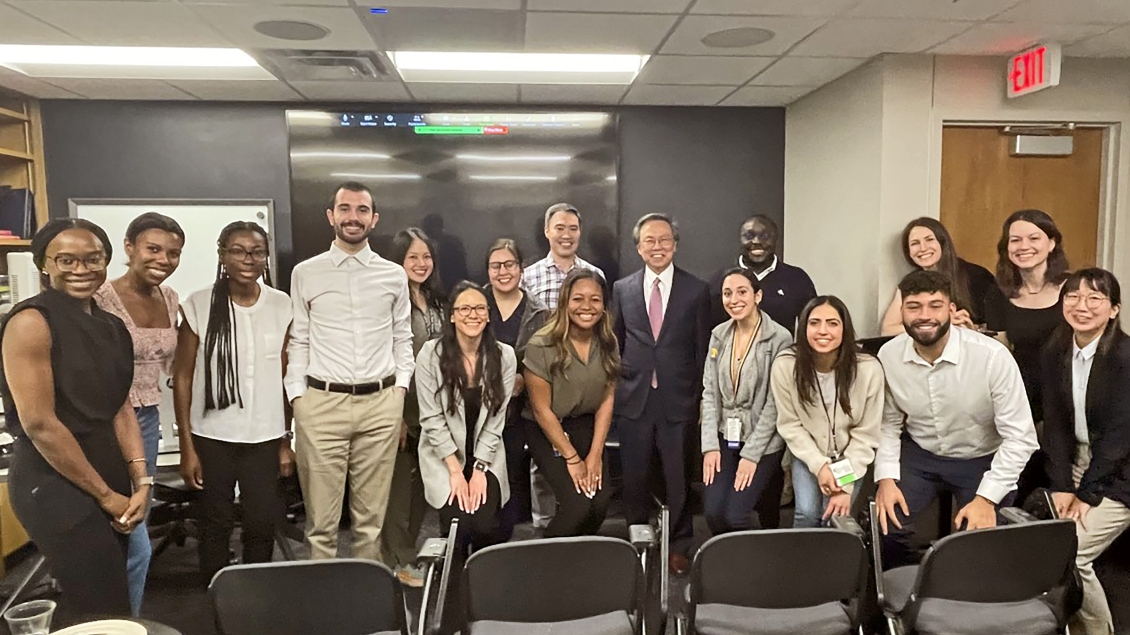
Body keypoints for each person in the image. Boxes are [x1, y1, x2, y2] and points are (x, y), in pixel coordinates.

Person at [0, 218, 150, 622]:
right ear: (44, 264)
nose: (81, 270)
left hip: (108, 475)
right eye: (66, 260)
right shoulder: (31, 322)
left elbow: (120, 407)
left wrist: (141, 480)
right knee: (102, 605)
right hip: (54, 482)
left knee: (107, 599)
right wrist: (105, 495)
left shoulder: (112, 325)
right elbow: (40, 425)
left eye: (92, 259)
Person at [285, 182, 414, 561]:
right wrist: (298, 398)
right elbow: (300, 339)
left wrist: (400, 391)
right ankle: (323, 608)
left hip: (380, 405)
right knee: (321, 526)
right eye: (345, 209)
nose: (352, 217)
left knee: (369, 524)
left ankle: (367, 605)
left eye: (361, 210)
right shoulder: (306, 273)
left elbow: (402, 338)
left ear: (374, 219)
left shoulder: (393, 275)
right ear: (331, 216)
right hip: (321, 405)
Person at [875, 270, 1039, 568]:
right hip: (920, 455)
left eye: (935, 305)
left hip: (982, 457)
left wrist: (987, 499)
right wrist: (886, 477)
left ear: (951, 310)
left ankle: (963, 605)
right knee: (885, 527)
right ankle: (904, 599)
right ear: (902, 312)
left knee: (978, 544)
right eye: (914, 307)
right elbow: (888, 423)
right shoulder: (888, 355)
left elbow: (1021, 438)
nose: (925, 315)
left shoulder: (992, 357)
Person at [172, 222, 292, 586]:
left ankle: (255, 594)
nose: (248, 259)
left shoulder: (281, 304)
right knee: (215, 522)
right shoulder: (198, 303)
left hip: (265, 436)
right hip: (212, 436)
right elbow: (183, 376)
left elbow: (286, 375)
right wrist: (186, 448)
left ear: (266, 256)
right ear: (222, 254)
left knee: (260, 522)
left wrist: (286, 441)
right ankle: (217, 595)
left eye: (256, 251)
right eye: (238, 250)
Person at [92, 212, 183, 616]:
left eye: (173, 253)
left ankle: (124, 616)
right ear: (128, 246)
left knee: (134, 523)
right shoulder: (99, 298)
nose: (163, 259)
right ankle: (114, 618)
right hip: (103, 423)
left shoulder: (170, 298)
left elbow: (172, 366)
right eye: (153, 248)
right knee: (123, 531)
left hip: (147, 420)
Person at [612, 214, 710, 573]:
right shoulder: (622, 288)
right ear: (639, 247)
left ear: (675, 245)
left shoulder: (696, 290)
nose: (657, 246)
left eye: (664, 240)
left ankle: (679, 544)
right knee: (634, 477)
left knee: (678, 477)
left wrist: (699, 398)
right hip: (634, 398)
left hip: (679, 399)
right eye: (650, 241)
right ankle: (638, 540)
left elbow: (702, 350)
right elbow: (616, 343)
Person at [1041, 268, 1130, 635]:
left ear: (1113, 310)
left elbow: (1119, 438)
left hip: (1121, 473)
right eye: (1073, 297)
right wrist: (1063, 485)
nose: (1082, 306)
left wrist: (1087, 495)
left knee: (1072, 553)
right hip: (1082, 464)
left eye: (1095, 298)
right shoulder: (1056, 351)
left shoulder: (1125, 358)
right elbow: (1057, 426)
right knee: (1043, 540)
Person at [416, 281, 515, 572]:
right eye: (465, 309)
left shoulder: (504, 356)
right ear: (452, 315)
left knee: (485, 524)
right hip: (445, 456)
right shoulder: (430, 354)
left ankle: (483, 589)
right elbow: (431, 419)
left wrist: (480, 469)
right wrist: (457, 471)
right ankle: (453, 594)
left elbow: (497, 420)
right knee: (459, 524)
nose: (472, 315)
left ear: (488, 315)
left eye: (479, 308)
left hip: (486, 454)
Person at [521, 203, 604, 528]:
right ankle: (545, 525)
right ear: (547, 232)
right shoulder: (529, 275)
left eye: (572, 228)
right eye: (560, 228)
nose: (566, 235)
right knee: (544, 473)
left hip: (585, 379)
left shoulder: (595, 274)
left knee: (586, 500)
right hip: (545, 375)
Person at [772, 296, 884, 528]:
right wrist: (820, 466)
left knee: (836, 516)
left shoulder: (868, 368)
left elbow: (866, 434)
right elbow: (790, 425)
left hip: (851, 454)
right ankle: (801, 564)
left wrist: (844, 484)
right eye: (814, 323)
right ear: (803, 327)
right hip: (807, 451)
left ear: (845, 328)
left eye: (832, 323)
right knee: (807, 513)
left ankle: (839, 564)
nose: (823, 331)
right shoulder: (785, 365)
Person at [522, 268, 618, 537]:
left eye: (595, 299)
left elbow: (606, 400)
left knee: (598, 504)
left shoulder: (608, 342)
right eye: (578, 299)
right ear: (565, 302)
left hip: (587, 424)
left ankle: (578, 558)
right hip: (549, 428)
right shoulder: (541, 344)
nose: (586, 307)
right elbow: (541, 411)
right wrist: (573, 459)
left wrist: (595, 455)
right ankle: (546, 560)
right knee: (577, 505)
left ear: (604, 306)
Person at [985, 209, 1069, 504]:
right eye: (1015, 240)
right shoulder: (998, 293)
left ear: (1052, 242)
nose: (1024, 246)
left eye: (1034, 238)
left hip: (1066, 395)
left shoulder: (1072, 288)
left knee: (1060, 478)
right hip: (1020, 396)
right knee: (1020, 479)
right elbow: (1001, 350)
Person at [700, 267, 791, 536]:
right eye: (727, 293)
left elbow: (776, 404)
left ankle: (748, 569)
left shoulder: (779, 339)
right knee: (714, 513)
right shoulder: (719, 334)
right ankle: (725, 562)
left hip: (762, 442)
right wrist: (709, 446)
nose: (734, 299)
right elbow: (709, 392)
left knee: (735, 515)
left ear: (757, 296)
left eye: (742, 292)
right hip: (724, 436)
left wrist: (751, 455)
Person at [381, 228, 445, 587]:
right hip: (401, 409)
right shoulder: (390, 299)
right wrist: (395, 415)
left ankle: (405, 553)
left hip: (433, 411)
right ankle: (398, 560)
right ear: (398, 261)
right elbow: (386, 358)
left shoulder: (436, 299)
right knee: (397, 495)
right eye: (412, 258)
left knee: (425, 489)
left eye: (426, 257)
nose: (421, 264)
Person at [484, 238, 550, 539]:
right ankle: (486, 536)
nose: (503, 271)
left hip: (523, 407)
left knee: (512, 473)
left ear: (521, 269)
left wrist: (523, 378)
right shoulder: (475, 303)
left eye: (509, 264)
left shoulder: (538, 311)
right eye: (496, 265)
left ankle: (508, 541)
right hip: (480, 407)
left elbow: (545, 358)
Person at [880, 217, 996, 336]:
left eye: (929, 240)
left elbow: (997, 328)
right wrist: (942, 325)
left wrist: (970, 328)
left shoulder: (977, 275)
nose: (923, 248)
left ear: (942, 242)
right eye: (915, 243)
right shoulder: (910, 282)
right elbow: (888, 330)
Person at [710, 214, 816, 335]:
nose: (757, 241)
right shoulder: (720, 280)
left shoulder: (797, 279)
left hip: (781, 352)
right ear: (740, 239)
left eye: (765, 236)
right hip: (733, 353)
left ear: (776, 239)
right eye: (749, 236)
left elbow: (813, 325)